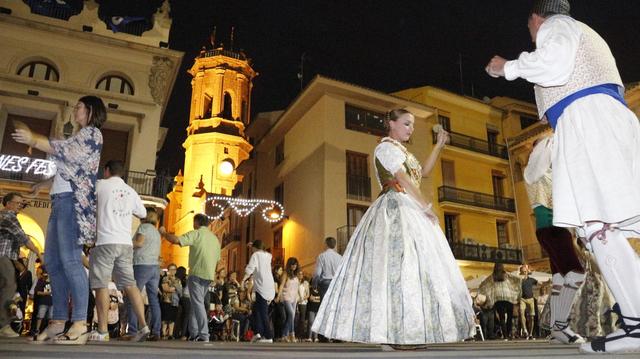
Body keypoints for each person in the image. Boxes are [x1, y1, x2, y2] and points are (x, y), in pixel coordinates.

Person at [485, 0, 640, 353]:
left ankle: (635, 323)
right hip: (602, 119)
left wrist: (507, 66)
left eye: (530, 29)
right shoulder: (586, 33)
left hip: (587, 121)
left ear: (537, 19)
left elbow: (552, 64)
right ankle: (634, 320)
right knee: (605, 226)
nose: (533, 34)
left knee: (597, 225)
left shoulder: (556, 27)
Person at [311, 109, 475, 345]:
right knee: (396, 269)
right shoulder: (385, 148)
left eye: (413, 125)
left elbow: (422, 174)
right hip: (395, 207)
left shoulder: (403, 152)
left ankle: (411, 330)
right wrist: (425, 206)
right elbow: (403, 180)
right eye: (406, 123)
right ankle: (392, 333)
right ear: (391, 124)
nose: (411, 129)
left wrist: (438, 146)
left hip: (410, 206)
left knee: (415, 270)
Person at [13, 96, 105, 343]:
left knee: (71, 261)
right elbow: (66, 168)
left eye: (79, 106)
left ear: (90, 111)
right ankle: (57, 321)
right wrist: (42, 184)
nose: (75, 109)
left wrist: (34, 138)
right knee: (53, 262)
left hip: (71, 203)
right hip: (59, 201)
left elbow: (68, 154)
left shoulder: (92, 134)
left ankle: (79, 323)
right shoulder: (78, 136)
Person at [523, 138, 586, 344]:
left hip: (554, 229)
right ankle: (560, 326)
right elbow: (541, 158)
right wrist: (548, 142)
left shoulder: (550, 173)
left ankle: (556, 329)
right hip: (552, 228)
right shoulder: (534, 170)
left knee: (560, 277)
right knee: (576, 274)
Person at [89, 160, 149, 343]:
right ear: (121, 173)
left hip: (105, 242)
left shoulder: (100, 184)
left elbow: (87, 198)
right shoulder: (131, 191)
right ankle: (144, 325)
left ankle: (102, 330)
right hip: (125, 244)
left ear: (106, 171)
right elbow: (144, 214)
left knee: (101, 284)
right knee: (130, 284)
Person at [160, 214, 221, 342]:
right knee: (195, 304)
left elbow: (177, 240)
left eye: (194, 222)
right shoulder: (215, 239)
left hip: (197, 273)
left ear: (197, 222)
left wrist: (165, 233)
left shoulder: (196, 234)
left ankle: (204, 334)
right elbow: (218, 259)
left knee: (198, 304)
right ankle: (194, 333)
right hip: (209, 275)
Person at [0, 192, 43, 338]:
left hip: (7, 258)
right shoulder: (8, 216)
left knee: (5, 288)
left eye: (21, 203)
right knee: (9, 285)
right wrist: (39, 253)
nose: (20, 206)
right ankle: (3, 325)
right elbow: (23, 237)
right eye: (18, 203)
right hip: (2, 257)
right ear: (8, 203)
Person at [128, 207, 162, 341]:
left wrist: (128, 243)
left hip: (142, 264)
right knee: (153, 299)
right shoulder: (156, 232)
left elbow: (139, 243)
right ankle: (156, 331)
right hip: (154, 267)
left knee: (133, 297)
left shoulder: (143, 228)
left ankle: (133, 330)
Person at [241, 240, 275, 343]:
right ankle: (258, 334)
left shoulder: (256, 254)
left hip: (261, 285)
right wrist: (254, 246)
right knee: (256, 310)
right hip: (268, 284)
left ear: (255, 248)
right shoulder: (268, 255)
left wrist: (243, 280)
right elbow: (261, 252)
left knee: (262, 312)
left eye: (252, 249)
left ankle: (268, 336)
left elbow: (250, 268)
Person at [479, 263, 521, 340]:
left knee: (502, 318)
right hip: (509, 298)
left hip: (498, 300)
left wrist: (481, 288)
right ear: (502, 267)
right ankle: (508, 334)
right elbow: (517, 279)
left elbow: (484, 284)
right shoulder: (506, 275)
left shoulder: (493, 276)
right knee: (509, 317)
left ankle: (505, 336)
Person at [276, 257, 300, 342]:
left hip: (294, 298)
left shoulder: (296, 275)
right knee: (292, 314)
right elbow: (281, 285)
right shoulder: (285, 273)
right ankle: (289, 334)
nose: (294, 266)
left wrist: (299, 297)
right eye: (293, 264)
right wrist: (278, 296)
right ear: (289, 264)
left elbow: (297, 287)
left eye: (296, 264)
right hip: (286, 297)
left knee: (291, 317)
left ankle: (287, 335)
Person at [160, 264, 182, 339]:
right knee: (165, 319)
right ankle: (163, 333)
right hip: (167, 300)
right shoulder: (165, 278)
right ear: (168, 270)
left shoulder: (178, 280)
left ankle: (170, 334)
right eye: (171, 269)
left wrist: (173, 286)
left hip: (175, 301)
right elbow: (165, 288)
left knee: (172, 319)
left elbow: (180, 291)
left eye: (174, 269)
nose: (172, 271)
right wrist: (173, 288)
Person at [518, 265, 539, 340]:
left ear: (527, 272)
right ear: (521, 272)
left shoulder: (531, 280)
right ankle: (525, 330)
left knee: (532, 317)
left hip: (531, 299)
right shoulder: (519, 280)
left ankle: (530, 334)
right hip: (522, 299)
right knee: (521, 313)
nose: (524, 273)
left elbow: (538, 284)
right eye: (523, 272)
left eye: (525, 271)